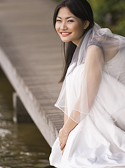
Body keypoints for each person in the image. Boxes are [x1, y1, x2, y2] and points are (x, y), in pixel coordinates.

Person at [49, 0, 125, 167]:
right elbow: (73, 91)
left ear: (85, 23)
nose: (62, 26)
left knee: (80, 75)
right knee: (77, 74)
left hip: (119, 109)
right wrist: (66, 132)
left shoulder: (94, 47)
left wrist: (66, 130)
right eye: (59, 20)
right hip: (111, 105)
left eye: (70, 20)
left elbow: (87, 96)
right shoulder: (82, 47)